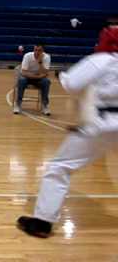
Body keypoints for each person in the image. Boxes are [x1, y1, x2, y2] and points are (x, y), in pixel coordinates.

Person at [17, 26, 118, 238]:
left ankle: (42, 222)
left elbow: (72, 84)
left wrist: (62, 74)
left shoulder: (101, 60)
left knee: (59, 167)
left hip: (101, 123)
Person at [14, 44, 51, 115]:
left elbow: (46, 73)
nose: (37, 52)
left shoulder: (46, 57)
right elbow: (24, 72)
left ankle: (45, 106)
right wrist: (37, 76)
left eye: (39, 50)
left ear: (43, 51)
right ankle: (18, 105)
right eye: (35, 50)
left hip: (38, 79)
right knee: (21, 80)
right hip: (28, 78)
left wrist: (40, 62)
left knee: (46, 82)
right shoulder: (27, 56)